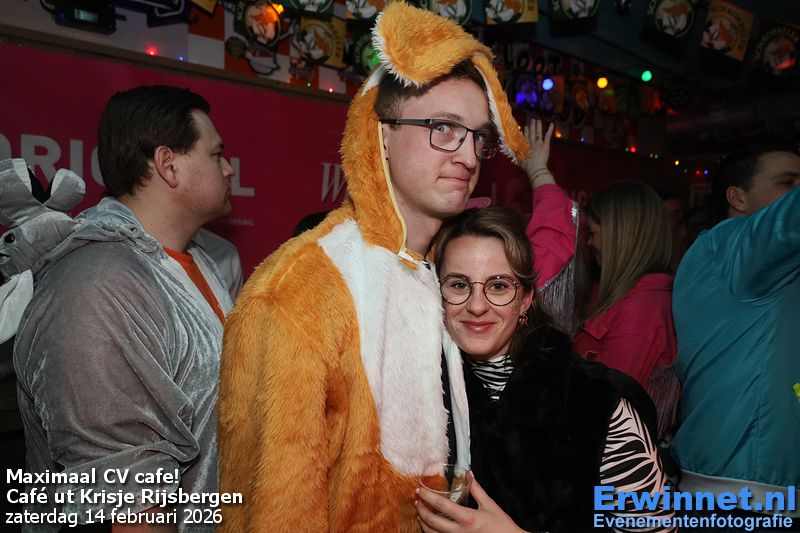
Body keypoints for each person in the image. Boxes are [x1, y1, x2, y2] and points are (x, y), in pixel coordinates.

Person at [216, 4, 530, 533]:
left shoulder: (444, 274)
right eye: (443, 128)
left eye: (479, 137)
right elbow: (275, 509)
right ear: (382, 134)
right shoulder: (301, 289)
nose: (469, 156)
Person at [13, 85, 235, 532]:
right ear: (168, 165)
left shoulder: (198, 260)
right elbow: (130, 506)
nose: (228, 168)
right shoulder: (98, 284)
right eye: (216, 154)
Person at [417, 206, 674, 533]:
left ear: (525, 299)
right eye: (458, 284)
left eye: (498, 286)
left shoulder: (598, 404)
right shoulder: (425, 389)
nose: (477, 305)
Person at [670, 143, 800, 527]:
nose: (796, 193)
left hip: (748, 485)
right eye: (787, 183)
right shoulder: (731, 245)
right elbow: (789, 220)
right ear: (737, 198)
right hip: (743, 491)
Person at [572, 180, 679, 437]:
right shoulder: (638, 298)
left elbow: (602, 408)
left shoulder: (639, 311)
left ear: (618, 236)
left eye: (593, 233)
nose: (590, 243)